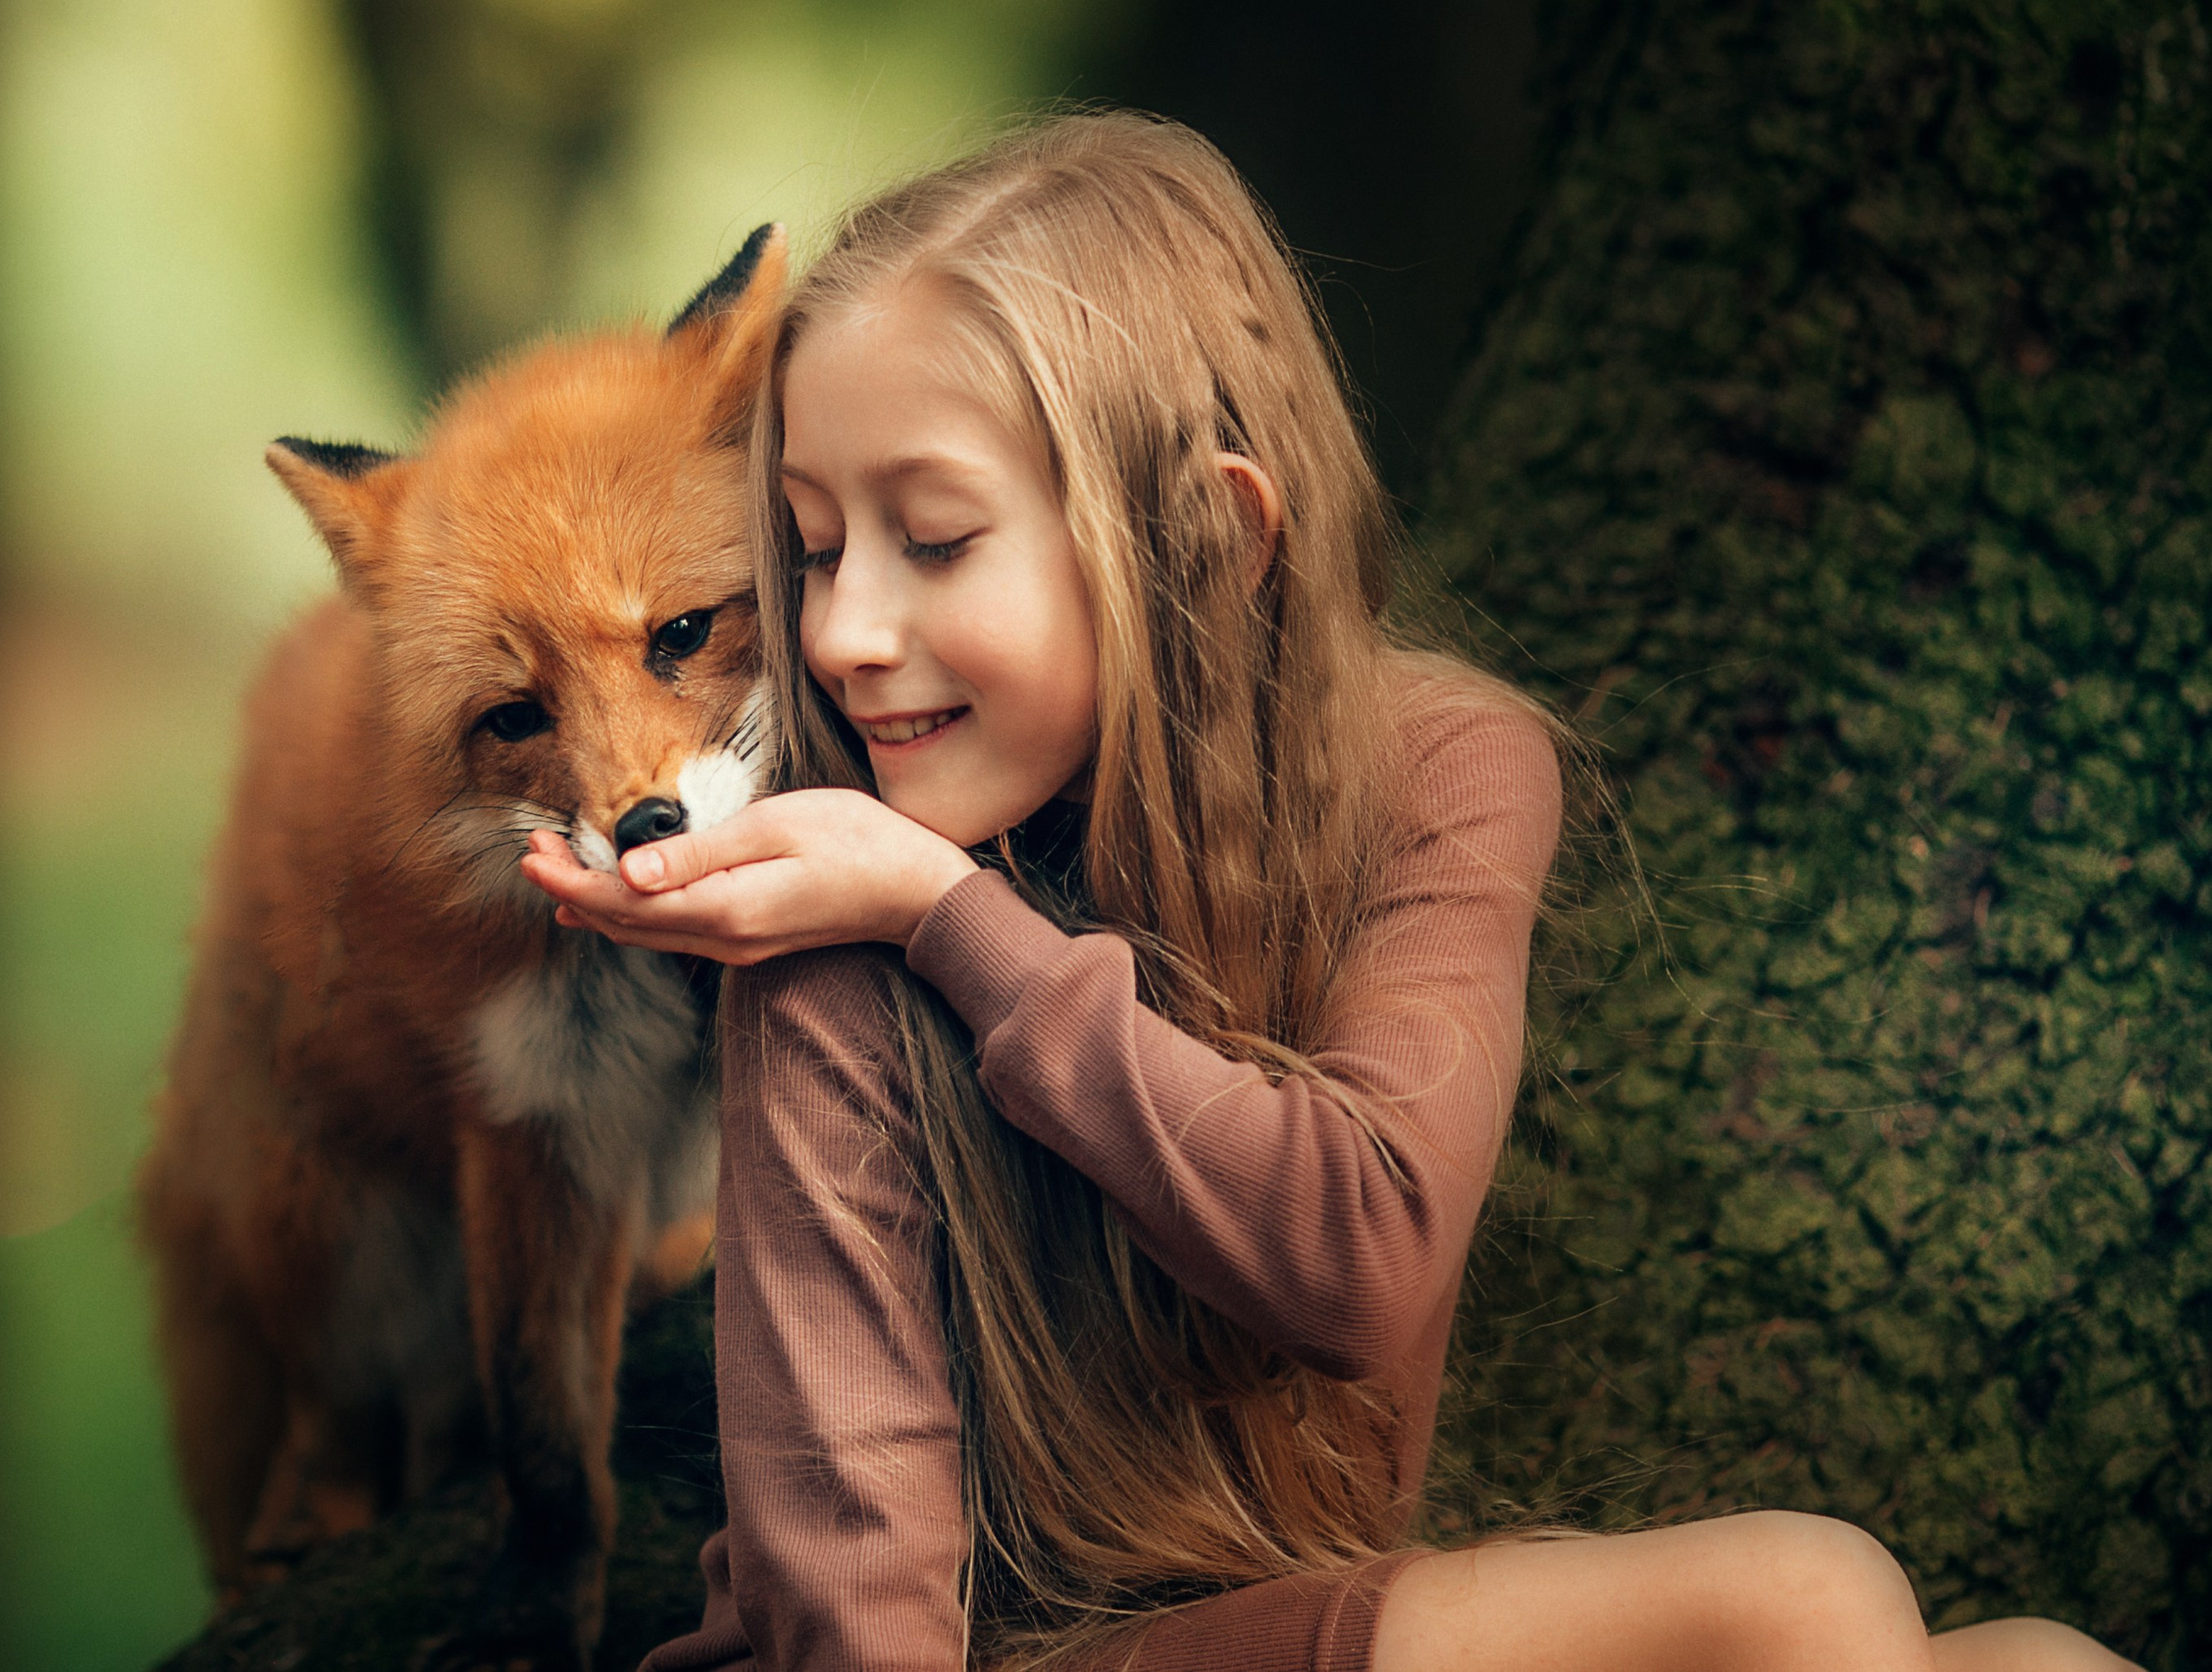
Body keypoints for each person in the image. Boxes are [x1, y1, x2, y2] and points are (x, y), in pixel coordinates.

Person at [524, 112, 2132, 1672]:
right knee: (1803, 1597)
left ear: (1208, 541)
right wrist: (917, 912)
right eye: (809, 547)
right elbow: (851, 1614)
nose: (840, 631)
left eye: (933, 540)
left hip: (1269, 1608)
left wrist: (962, 925)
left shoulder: (1439, 767)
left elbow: (1354, 1251)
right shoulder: (826, 925)